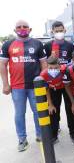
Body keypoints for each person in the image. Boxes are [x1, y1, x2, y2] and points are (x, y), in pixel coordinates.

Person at [0, 20, 47, 152]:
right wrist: (5, 84)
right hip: (17, 87)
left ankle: (40, 135)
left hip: (35, 86)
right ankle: (22, 139)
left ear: (30, 29)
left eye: (25, 27)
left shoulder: (37, 43)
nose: (22, 29)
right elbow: (2, 65)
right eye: (19, 27)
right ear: (14, 30)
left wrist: (43, 80)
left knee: (38, 112)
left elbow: (44, 64)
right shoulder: (8, 44)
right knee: (20, 113)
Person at [43, 21, 74, 142]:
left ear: (65, 31)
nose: (59, 33)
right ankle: (54, 134)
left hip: (67, 83)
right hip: (53, 84)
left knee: (70, 109)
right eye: (56, 31)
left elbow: (73, 61)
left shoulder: (70, 45)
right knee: (54, 109)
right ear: (52, 32)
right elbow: (44, 64)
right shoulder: (47, 46)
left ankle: (73, 132)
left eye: (61, 30)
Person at [40, 57, 68, 144]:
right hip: (52, 90)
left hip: (65, 88)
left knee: (69, 107)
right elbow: (46, 89)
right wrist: (50, 104)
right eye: (50, 68)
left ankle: (73, 131)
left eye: (56, 68)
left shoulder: (64, 69)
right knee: (54, 112)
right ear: (47, 67)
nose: (53, 70)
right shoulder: (43, 75)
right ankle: (54, 136)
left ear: (60, 66)